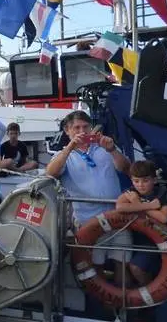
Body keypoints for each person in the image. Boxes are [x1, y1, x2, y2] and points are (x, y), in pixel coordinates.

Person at [46, 110, 132, 284]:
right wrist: (70, 147)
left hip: (118, 217)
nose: (82, 131)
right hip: (88, 220)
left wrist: (113, 150)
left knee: (122, 263)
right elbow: (51, 173)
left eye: (85, 127)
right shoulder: (63, 155)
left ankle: (124, 306)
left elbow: (126, 169)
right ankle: (103, 308)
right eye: (76, 128)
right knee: (95, 267)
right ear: (67, 130)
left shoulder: (105, 148)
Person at [116, 160, 167, 224]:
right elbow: (119, 207)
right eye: (136, 181)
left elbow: (164, 218)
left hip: (159, 231)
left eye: (145, 181)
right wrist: (150, 205)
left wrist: (137, 203)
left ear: (154, 180)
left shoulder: (163, 193)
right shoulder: (132, 192)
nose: (140, 185)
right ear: (132, 180)